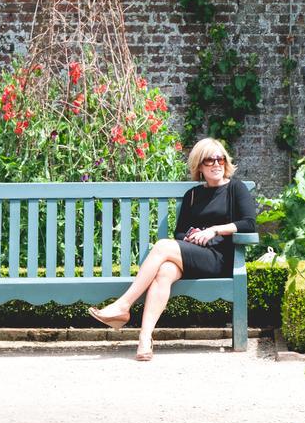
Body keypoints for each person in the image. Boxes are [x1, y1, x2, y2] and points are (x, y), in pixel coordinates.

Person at [88, 137, 257, 361]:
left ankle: (123, 305)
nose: (216, 164)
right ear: (199, 166)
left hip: (219, 258)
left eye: (220, 159)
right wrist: (191, 235)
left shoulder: (236, 189)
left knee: (162, 246)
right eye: (209, 160)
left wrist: (214, 230)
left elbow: (249, 223)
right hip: (193, 255)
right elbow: (180, 233)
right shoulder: (193, 195)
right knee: (165, 271)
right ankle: (144, 341)